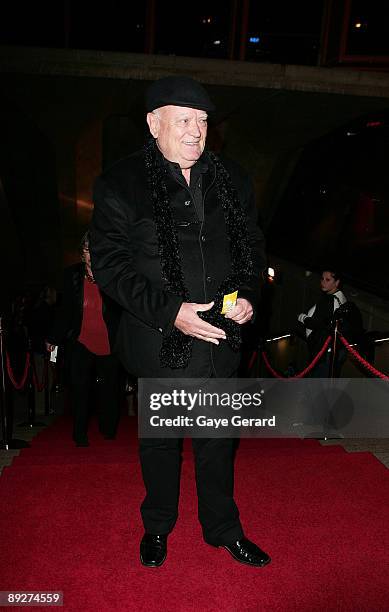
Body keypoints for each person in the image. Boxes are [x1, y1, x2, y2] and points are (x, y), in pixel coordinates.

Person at [90, 76, 270, 568]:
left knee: (217, 446)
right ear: (154, 124)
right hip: (160, 343)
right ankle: (157, 527)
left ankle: (223, 529)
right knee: (162, 447)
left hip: (220, 342)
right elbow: (110, 266)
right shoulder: (119, 183)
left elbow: (252, 249)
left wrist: (249, 296)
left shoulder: (233, 179)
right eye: (184, 120)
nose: (196, 131)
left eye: (204, 122)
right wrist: (173, 313)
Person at [46, 231, 122, 446]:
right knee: (80, 389)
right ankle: (79, 435)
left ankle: (108, 431)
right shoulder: (71, 276)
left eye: (96, 249)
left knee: (109, 390)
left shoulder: (113, 275)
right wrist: (54, 337)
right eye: (88, 249)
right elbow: (65, 311)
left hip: (110, 343)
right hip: (81, 341)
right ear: (82, 254)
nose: (92, 254)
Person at [296, 268, 362, 377]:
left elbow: (316, 324)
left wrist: (302, 317)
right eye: (322, 278)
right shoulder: (342, 297)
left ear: (337, 282)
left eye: (328, 280)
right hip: (337, 351)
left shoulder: (328, 300)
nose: (323, 282)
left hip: (324, 353)